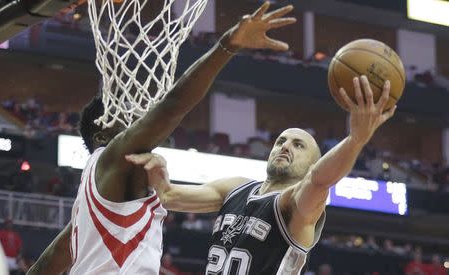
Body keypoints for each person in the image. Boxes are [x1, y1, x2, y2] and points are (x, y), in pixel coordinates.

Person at [26, 2, 296, 274]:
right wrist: (229, 45)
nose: (135, 114)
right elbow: (173, 106)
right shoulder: (114, 156)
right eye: (123, 113)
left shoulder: (85, 205)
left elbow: (50, 260)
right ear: (102, 130)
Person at [126, 76, 397, 274]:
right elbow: (171, 196)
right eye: (281, 141)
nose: (285, 146)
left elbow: (320, 180)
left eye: (298, 145)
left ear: (312, 163)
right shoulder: (236, 187)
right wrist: (156, 167)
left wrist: (355, 140)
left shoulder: (294, 203)